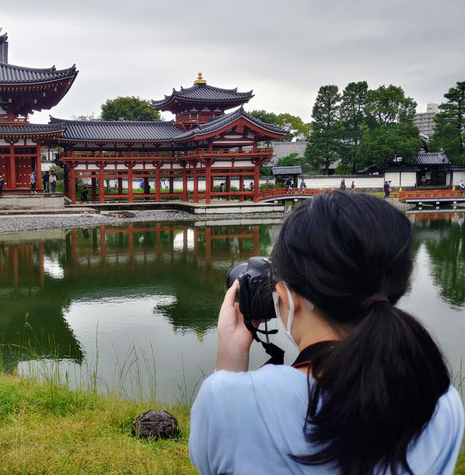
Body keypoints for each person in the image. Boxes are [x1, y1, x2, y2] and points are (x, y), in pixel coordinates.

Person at [190, 192, 463, 475]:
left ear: (286, 294)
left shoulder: (229, 402)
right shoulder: (441, 402)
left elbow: (211, 463)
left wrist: (230, 361)